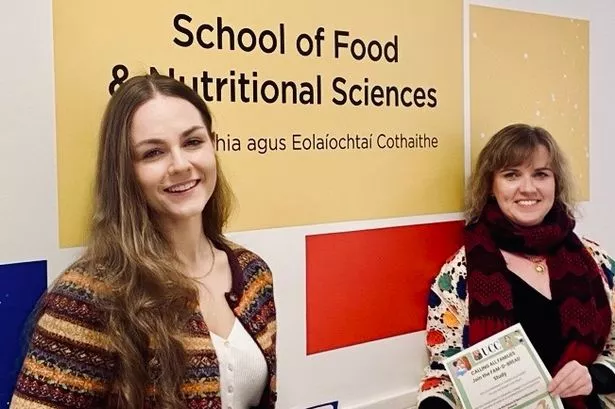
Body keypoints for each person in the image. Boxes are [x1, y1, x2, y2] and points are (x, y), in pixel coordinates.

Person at [9, 73, 277, 409]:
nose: (180, 165)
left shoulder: (253, 273)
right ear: (124, 170)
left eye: (193, 142)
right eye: (153, 153)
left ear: (213, 145)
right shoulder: (91, 297)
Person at [417, 124, 615, 409]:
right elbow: (445, 374)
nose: (528, 188)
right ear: (491, 186)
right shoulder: (459, 275)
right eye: (511, 175)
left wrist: (596, 376)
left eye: (541, 174)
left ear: (556, 183)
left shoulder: (595, 260)